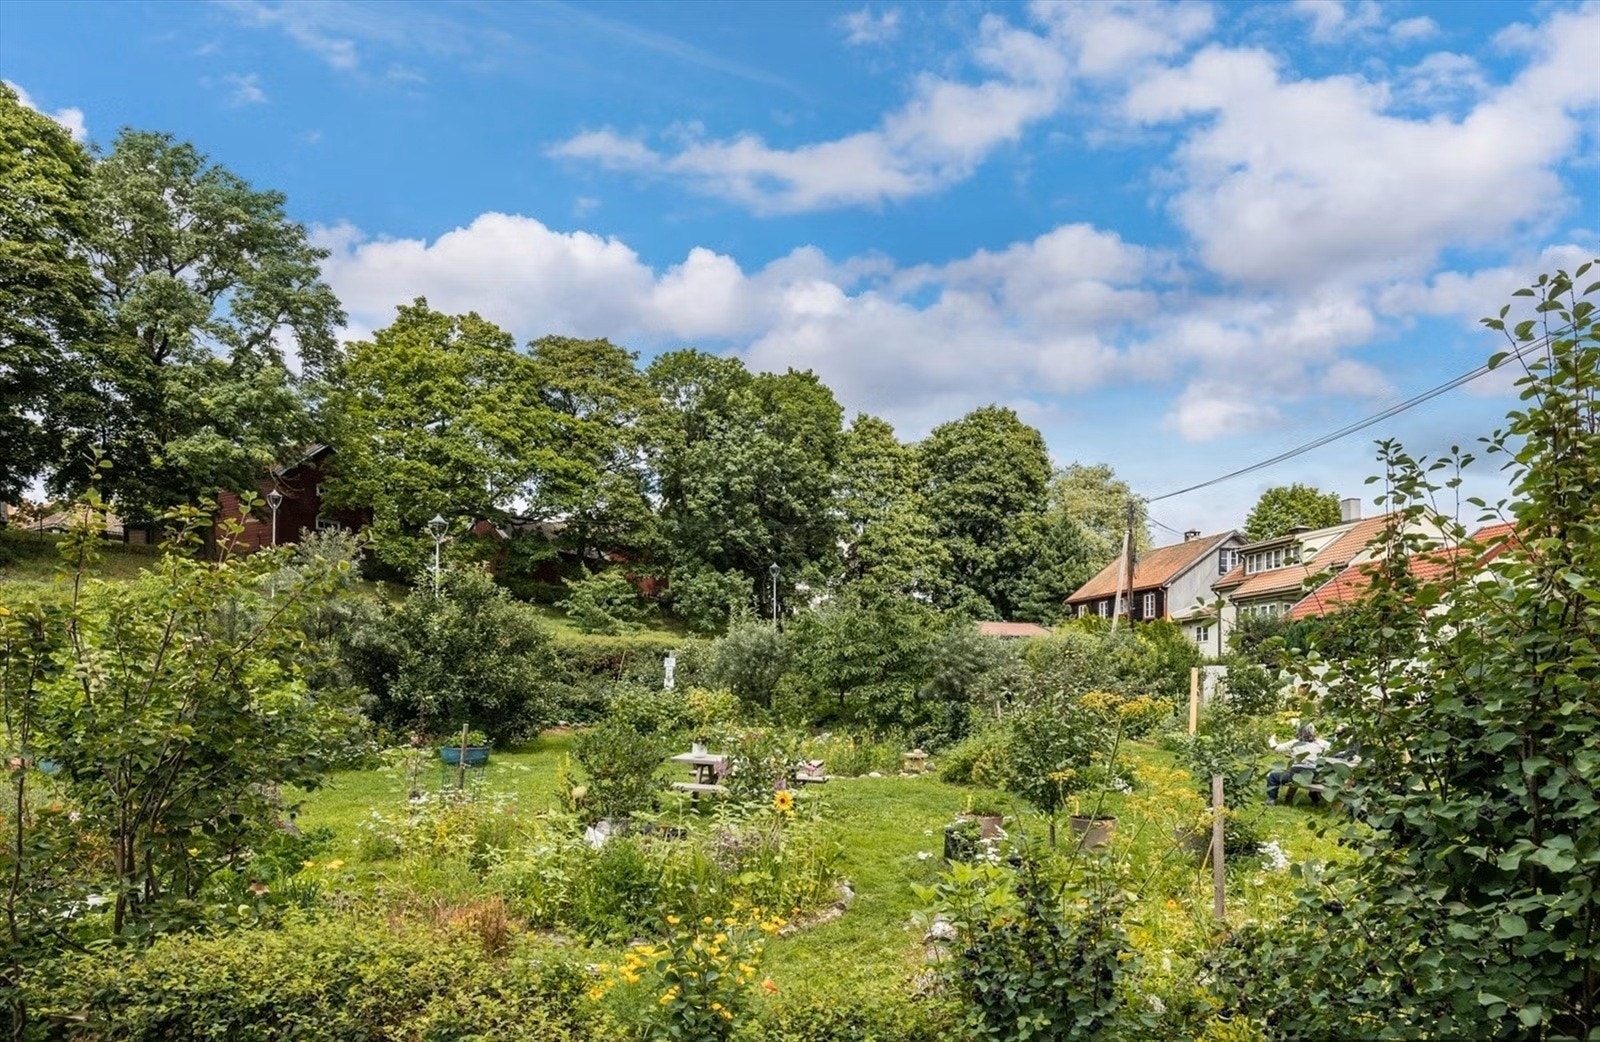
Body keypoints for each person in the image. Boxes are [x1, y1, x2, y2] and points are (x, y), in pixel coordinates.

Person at [1266, 723, 1330, 805]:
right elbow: (1335, 748)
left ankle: (1271, 799)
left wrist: (1271, 739)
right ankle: (1316, 800)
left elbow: (1276, 748)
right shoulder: (1322, 743)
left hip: (1295, 775)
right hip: (1314, 775)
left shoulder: (1295, 743)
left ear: (1299, 731)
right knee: (1316, 777)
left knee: (1272, 776)